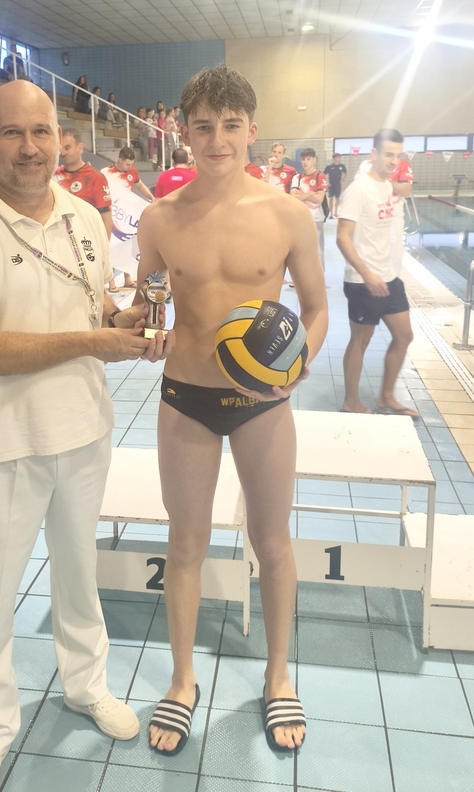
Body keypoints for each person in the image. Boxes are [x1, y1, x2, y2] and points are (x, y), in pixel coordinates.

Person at [0, 81, 171, 792]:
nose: (30, 148)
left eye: (41, 133)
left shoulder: (83, 216)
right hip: (1, 443)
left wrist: (123, 323)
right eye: (12, 133)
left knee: (78, 574)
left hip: (83, 429)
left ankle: (86, 686)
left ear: (61, 141)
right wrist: (95, 340)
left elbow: (89, 310)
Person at [135, 65, 328, 756]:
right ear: (183, 134)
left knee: (272, 542)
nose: (217, 139)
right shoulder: (158, 219)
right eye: (203, 126)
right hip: (186, 398)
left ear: (252, 130)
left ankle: (278, 676)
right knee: (185, 544)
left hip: (261, 404)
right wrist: (135, 325)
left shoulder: (286, 214)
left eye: (230, 125)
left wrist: (294, 366)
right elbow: (151, 303)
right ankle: (182, 680)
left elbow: (316, 308)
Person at [336, 128, 418, 419]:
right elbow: (342, 237)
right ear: (374, 154)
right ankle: (351, 401)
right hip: (362, 281)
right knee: (361, 340)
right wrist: (367, 274)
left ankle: (386, 397)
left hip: (390, 277)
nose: (394, 161)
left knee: (404, 335)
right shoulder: (359, 189)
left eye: (398, 155)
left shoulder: (388, 186)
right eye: (388, 155)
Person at [102, 147, 155, 288]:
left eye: (131, 164)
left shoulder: (132, 172)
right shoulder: (106, 173)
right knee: (112, 246)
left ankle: (127, 278)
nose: (130, 167)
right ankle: (111, 282)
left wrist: (151, 197)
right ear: (119, 160)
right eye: (127, 164)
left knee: (126, 246)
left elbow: (140, 185)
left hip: (126, 215)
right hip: (113, 214)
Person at [55, 128, 113, 237]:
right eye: (60, 148)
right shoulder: (53, 175)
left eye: (67, 148)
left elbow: (106, 219)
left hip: (86, 239)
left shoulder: (95, 178)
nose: (63, 152)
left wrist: (104, 246)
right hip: (58, 239)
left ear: (80, 148)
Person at [290, 148, 328, 268]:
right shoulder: (297, 178)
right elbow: (293, 197)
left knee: (318, 251)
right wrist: (310, 194)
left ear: (314, 160)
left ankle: (320, 276)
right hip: (301, 218)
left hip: (316, 218)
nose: (305, 162)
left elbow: (319, 199)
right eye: (303, 159)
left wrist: (302, 195)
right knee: (301, 250)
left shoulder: (320, 176)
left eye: (308, 159)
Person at [323, 152, 347, 218]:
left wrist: (342, 180)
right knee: (331, 198)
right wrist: (326, 182)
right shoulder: (329, 166)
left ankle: (336, 211)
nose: (339, 158)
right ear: (334, 158)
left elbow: (345, 173)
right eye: (338, 157)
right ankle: (331, 212)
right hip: (331, 185)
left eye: (340, 157)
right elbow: (324, 174)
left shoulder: (342, 166)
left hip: (338, 185)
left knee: (337, 198)